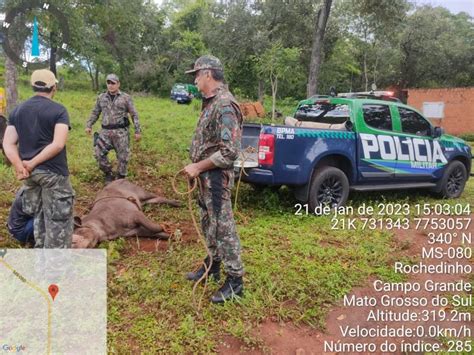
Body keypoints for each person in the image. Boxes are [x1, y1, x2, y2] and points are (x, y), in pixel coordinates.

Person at [183, 55, 244, 303]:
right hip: (205, 178)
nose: (195, 80)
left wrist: (198, 166)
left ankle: (235, 281)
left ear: (208, 74)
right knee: (208, 222)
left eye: (196, 75)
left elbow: (230, 152)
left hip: (216, 178)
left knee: (223, 226)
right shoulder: (210, 102)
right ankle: (212, 264)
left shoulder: (225, 105)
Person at [2, 69, 74, 248]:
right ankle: (55, 274)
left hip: (30, 176)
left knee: (40, 220)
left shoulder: (17, 111)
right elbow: (58, 144)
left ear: (33, 86)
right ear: (54, 87)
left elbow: (8, 143)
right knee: (58, 225)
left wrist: (21, 166)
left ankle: (41, 265)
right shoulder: (59, 110)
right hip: (53, 175)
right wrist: (33, 162)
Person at [85, 74, 141, 183]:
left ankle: (120, 178)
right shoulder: (101, 97)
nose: (110, 85)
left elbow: (134, 114)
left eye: (113, 83)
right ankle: (108, 173)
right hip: (105, 132)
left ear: (118, 84)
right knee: (98, 153)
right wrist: (89, 125)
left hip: (121, 133)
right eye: (108, 83)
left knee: (123, 157)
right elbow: (95, 112)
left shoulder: (126, 98)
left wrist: (137, 130)